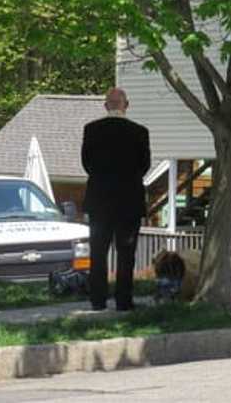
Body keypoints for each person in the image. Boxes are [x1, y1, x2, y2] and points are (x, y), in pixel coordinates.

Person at [81, 87, 151, 311]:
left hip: (100, 200)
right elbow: (144, 165)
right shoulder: (139, 132)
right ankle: (123, 300)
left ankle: (98, 300)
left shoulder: (91, 130)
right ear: (126, 105)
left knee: (98, 253)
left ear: (105, 106)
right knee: (126, 253)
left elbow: (87, 163)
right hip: (128, 200)